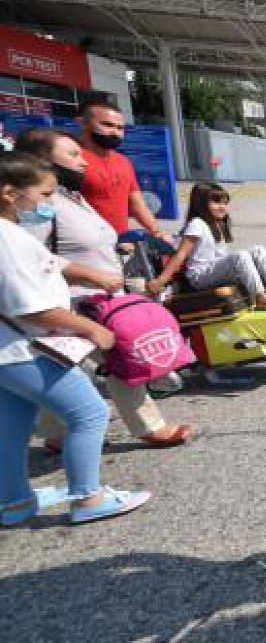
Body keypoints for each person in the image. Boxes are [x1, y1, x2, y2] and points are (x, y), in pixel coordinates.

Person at [15, 129, 192, 450]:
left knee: (66, 366)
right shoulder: (41, 205)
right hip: (74, 302)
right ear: (41, 160)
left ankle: (56, 433)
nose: (83, 161)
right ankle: (148, 428)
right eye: (72, 154)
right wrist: (90, 274)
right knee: (118, 357)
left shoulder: (73, 197)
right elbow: (29, 256)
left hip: (101, 298)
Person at [0, 151, 151, 526]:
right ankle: (88, 498)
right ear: (9, 193)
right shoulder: (6, 240)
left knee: (13, 425)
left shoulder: (11, 232)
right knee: (89, 413)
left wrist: (93, 276)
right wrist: (91, 328)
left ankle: (15, 502)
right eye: (44, 195)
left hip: (8, 352)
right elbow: (29, 308)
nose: (49, 204)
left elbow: (52, 265)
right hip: (24, 349)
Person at [147, 183, 266, 310]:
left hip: (214, 270)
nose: (222, 207)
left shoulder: (218, 223)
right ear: (200, 204)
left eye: (225, 203)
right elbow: (181, 254)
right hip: (200, 276)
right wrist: (160, 281)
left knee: (258, 250)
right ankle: (259, 297)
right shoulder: (197, 224)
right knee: (240, 256)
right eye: (217, 202)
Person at [74, 100, 170, 242]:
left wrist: (157, 232)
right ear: (82, 123)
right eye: (107, 125)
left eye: (120, 128)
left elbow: (137, 204)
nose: (115, 132)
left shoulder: (124, 162)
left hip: (120, 243)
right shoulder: (71, 159)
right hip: (84, 245)